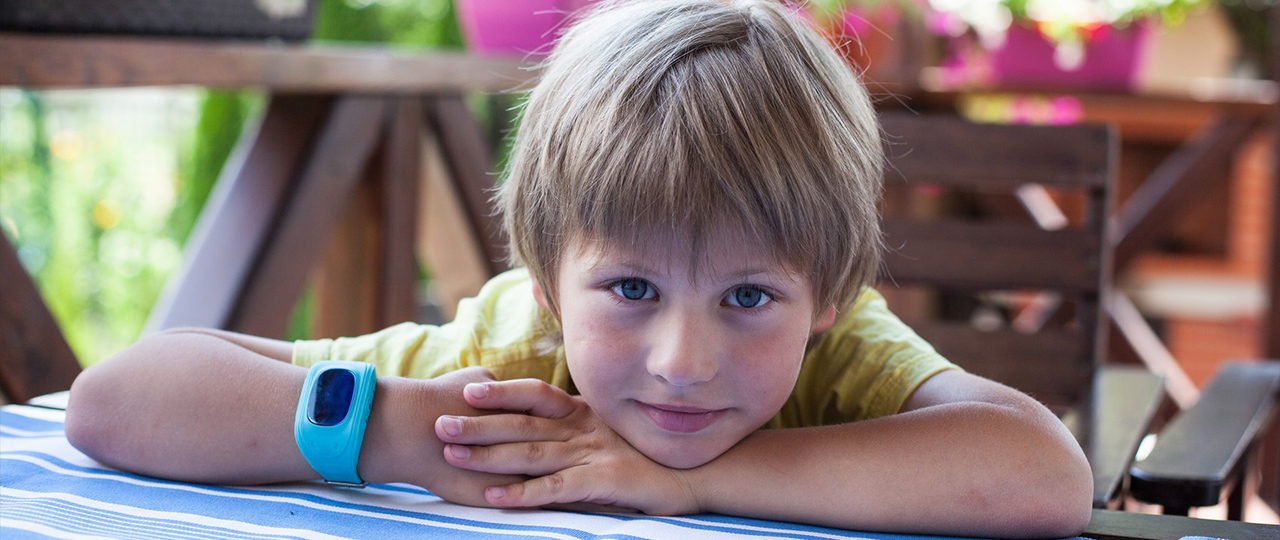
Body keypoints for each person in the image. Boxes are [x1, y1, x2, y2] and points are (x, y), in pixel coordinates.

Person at [65, 0, 1092, 537]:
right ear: (548, 278)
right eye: (631, 290)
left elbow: (1041, 476)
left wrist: (696, 484)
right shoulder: (511, 356)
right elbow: (112, 404)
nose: (682, 361)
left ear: (826, 295)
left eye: (746, 296)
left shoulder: (843, 358)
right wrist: (394, 434)